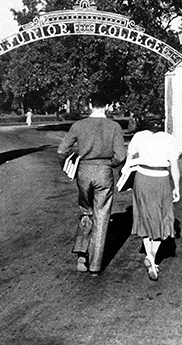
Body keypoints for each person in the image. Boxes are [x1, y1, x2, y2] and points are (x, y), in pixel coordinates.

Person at [57, 92, 126, 276]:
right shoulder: (114, 127)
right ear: (108, 106)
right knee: (102, 216)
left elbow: (62, 150)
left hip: (84, 172)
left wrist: (65, 165)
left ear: (89, 104)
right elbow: (121, 156)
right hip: (104, 172)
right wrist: (109, 164)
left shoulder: (79, 125)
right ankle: (95, 266)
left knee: (86, 210)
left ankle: (81, 253)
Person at [121, 114, 180, 281]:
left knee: (144, 216)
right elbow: (174, 168)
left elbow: (129, 160)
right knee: (162, 217)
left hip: (142, 179)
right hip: (160, 179)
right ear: (162, 124)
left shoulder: (139, 137)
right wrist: (177, 188)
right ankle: (153, 256)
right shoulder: (169, 139)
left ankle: (150, 258)